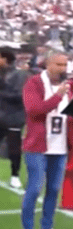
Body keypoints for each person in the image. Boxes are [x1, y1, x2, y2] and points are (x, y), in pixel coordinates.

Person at [20, 51, 73, 229]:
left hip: (60, 145)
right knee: (35, 188)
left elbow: (72, 117)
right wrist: (57, 95)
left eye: (65, 64)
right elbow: (34, 110)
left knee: (53, 189)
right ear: (48, 64)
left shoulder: (70, 87)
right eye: (59, 64)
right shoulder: (34, 83)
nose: (62, 68)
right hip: (38, 145)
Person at [0, 48, 29, 189]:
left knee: (14, 148)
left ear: (5, 59)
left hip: (14, 116)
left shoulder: (19, 75)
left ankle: (15, 176)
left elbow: (20, 96)